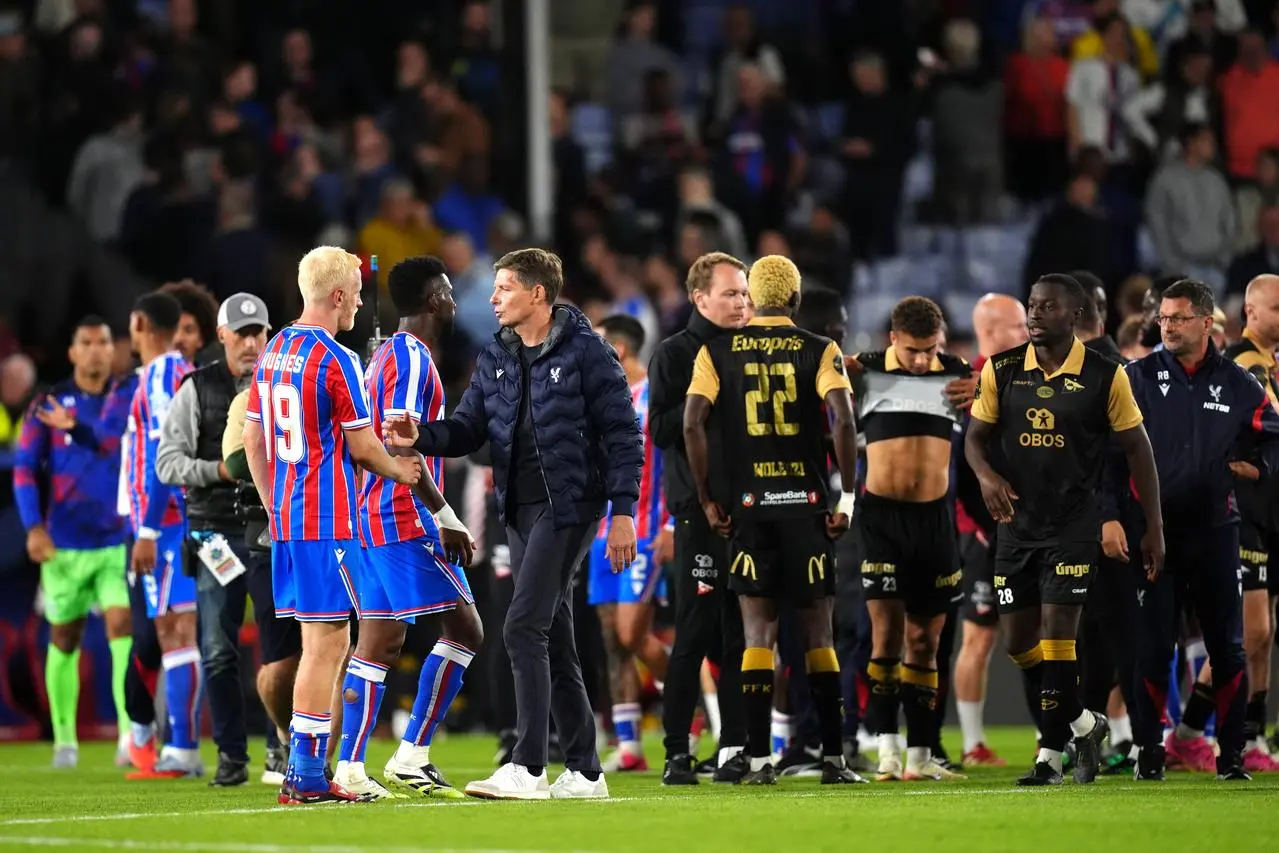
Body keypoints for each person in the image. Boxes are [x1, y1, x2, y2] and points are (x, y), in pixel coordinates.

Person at [383, 248, 644, 800]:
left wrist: (623, 512)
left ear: (538, 295)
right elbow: (468, 429)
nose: (493, 297)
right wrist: (418, 435)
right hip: (519, 509)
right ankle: (586, 772)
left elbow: (625, 436)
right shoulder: (495, 354)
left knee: (523, 627)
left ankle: (527, 765)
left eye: (503, 287)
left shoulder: (589, 353)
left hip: (570, 506)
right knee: (557, 637)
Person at [966, 273, 1164, 786]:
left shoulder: (1105, 375)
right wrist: (988, 476)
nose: (1033, 314)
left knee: (1059, 638)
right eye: (1031, 305)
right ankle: (1084, 721)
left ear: (1074, 316)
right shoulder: (1003, 370)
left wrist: (1153, 526)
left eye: (1046, 306)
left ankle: (1049, 757)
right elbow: (975, 439)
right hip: (1017, 524)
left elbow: (1139, 450)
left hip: (1075, 525)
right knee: (1017, 641)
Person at [243, 246, 422, 805]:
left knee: (316, 643)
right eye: (359, 295)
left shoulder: (274, 351)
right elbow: (365, 450)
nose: (361, 304)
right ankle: (306, 773)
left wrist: (276, 506)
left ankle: (305, 768)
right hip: (330, 523)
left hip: (292, 522)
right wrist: (406, 471)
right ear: (339, 296)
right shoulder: (336, 358)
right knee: (327, 646)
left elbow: (253, 440)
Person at [684, 254, 863, 786]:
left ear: (753, 298)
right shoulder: (821, 348)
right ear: (796, 299)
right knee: (819, 635)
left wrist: (707, 496)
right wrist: (847, 498)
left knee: (757, 633)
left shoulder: (715, 352)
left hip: (750, 511)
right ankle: (833, 758)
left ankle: (758, 758)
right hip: (806, 509)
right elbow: (844, 419)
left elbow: (693, 423)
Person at [334, 255, 484, 800]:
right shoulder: (414, 358)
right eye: (446, 290)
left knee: (378, 640)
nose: (451, 299)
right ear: (432, 300)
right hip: (402, 514)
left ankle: (350, 766)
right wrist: (445, 515)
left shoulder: (381, 359)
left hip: (364, 517)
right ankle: (412, 754)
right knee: (466, 631)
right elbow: (402, 444)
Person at [1125, 278, 1279, 781]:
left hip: (1216, 531)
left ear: (1207, 322)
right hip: (1155, 535)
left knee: (1228, 647)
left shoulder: (1239, 384)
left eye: (1177, 318)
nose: (1165, 326)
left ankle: (1230, 755)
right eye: (1163, 318)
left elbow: (1272, 437)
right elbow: (1109, 453)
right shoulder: (1137, 378)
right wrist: (1112, 515)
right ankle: (1150, 754)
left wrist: (1259, 469)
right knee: (1152, 648)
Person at [155, 293, 301, 787]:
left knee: (281, 651)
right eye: (240, 333)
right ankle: (231, 755)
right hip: (215, 532)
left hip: (270, 532)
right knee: (218, 649)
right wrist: (220, 470)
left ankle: (281, 745)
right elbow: (167, 461)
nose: (251, 342)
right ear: (221, 337)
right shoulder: (196, 389)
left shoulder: (287, 384)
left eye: (258, 331)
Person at [846, 297, 970, 782]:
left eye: (930, 350)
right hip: (881, 519)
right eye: (914, 350)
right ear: (893, 338)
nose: (923, 360)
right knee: (887, 636)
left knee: (926, 641)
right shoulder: (864, 372)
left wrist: (982, 386)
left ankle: (920, 756)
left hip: (935, 520)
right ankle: (887, 750)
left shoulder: (958, 373)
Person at [647, 252, 750, 785]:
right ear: (699, 297)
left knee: (741, 635)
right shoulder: (675, 353)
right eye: (731, 293)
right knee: (693, 634)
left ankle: (735, 747)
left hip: (752, 513)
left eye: (746, 293)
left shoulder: (757, 352)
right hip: (698, 514)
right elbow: (662, 428)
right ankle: (676, 752)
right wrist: (709, 402)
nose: (742, 303)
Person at [13, 317, 132, 769]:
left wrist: (76, 426)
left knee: (121, 625)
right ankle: (65, 740)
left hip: (115, 539)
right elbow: (24, 468)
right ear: (73, 352)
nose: (98, 350)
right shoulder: (46, 404)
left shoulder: (124, 399)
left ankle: (128, 735)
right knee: (65, 636)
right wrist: (33, 527)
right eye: (87, 342)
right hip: (63, 543)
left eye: (104, 342)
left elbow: (109, 441)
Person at [123, 291, 203, 778]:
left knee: (176, 631)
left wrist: (148, 529)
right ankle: (182, 747)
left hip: (170, 524)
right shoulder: (177, 373)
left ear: (139, 323)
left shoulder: (159, 376)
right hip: (179, 521)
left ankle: (183, 748)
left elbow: (163, 457)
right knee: (177, 631)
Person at [587, 314, 669, 774]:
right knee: (612, 644)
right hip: (599, 535)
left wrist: (672, 523)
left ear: (618, 349)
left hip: (645, 530)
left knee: (630, 633)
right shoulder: (598, 401)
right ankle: (630, 745)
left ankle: (692, 700)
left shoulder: (655, 396)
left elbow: (674, 462)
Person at [952, 294, 1027, 767]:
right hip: (982, 534)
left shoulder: (1028, 378)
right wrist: (976, 527)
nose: (1026, 332)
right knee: (979, 637)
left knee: (1041, 635)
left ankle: (1053, 736)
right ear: (992, 331)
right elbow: (957, 463)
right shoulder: (963, 386)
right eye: (1018, 325)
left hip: (1029, 530)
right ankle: (972, 743)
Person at [1222, 273, 1279, 771]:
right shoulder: (1244, 366)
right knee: (1250, 632)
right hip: (1245, 511)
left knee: (1264, 633)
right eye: (1277, 308)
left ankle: (1255, 734)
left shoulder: (1269, 364)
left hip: (1269, 511)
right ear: (1252, 312)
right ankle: (1208, 729)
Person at [158, 280, 220, 365]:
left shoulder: (211, 378)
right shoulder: (140, 377)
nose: (178, 338)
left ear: (201, 339)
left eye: (188, 330)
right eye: (173, 329)